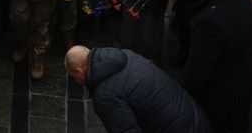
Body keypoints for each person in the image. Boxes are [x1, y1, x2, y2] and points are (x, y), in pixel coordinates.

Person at [182, 0, 252, 133]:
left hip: (214, 101)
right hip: (240, 94)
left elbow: (198, 69)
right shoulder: (247, 2)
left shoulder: (210, 20)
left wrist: (183, 99)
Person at [64, 45, 212, 133]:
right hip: (194, 119)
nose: (75, 81)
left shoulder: (105, 95)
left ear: (79, 71)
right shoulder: (126, 56)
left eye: (72, 76)